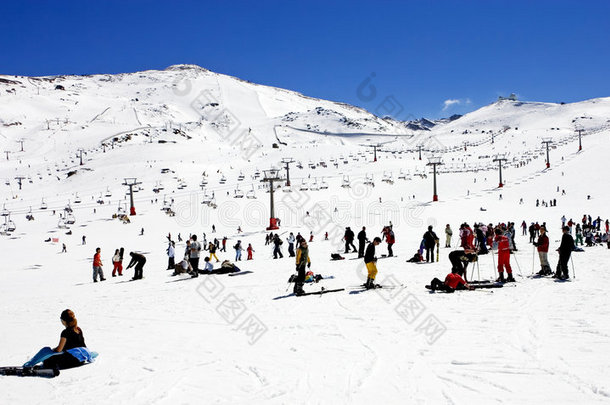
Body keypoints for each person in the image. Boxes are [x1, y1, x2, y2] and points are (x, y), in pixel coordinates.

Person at [24, 309, 95, 370]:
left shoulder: (65, 332)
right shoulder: (78, 329)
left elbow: (59, 349)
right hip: (81, 360)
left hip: (71, 361)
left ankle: (30, 364)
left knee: (47, 359)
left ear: (64, 321)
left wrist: (52, 350)